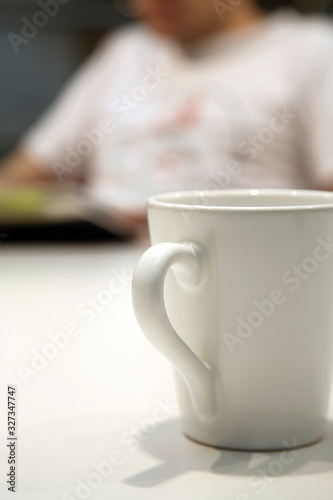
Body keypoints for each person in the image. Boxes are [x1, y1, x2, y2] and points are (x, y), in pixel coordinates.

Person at [1, 0, 333, 236]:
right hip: (85, 273)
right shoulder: (126, 51)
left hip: (236, 274)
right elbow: (21, 177)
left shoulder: (311, 49)